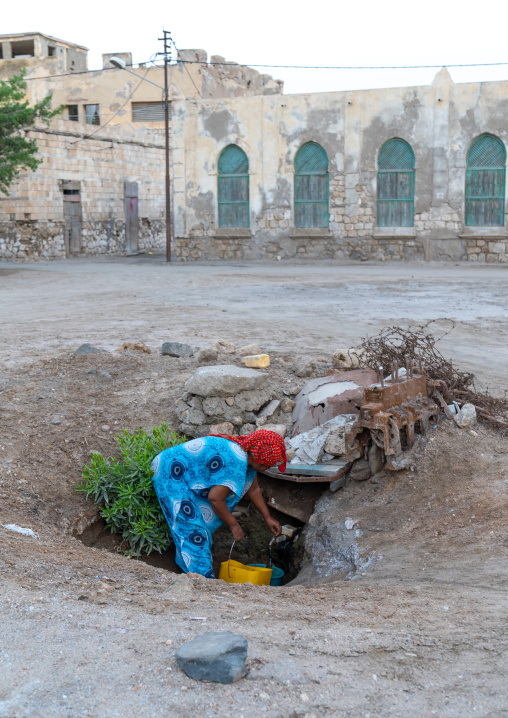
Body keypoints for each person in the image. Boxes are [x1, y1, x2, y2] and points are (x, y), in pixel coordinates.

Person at [151, 429, 286, 578]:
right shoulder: (236, 462)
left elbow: (253, 489)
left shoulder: (245, 453)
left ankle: (188, 571)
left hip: (182, 475)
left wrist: (267, 517)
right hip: (170, 474)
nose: (270, 467)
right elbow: (215, 498)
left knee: (194, 527)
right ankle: (203, 580)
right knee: (195, 533)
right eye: (270, 463)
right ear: (260, 458)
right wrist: (233, 524)